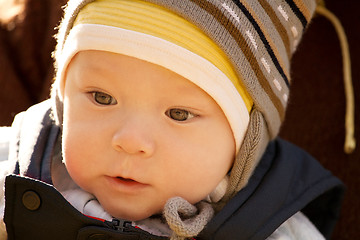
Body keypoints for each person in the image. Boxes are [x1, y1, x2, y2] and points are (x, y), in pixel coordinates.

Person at [0, 0, 344, 239]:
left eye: (178, 114)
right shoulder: (11, 174)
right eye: (102, 98)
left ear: (244, 144)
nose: (130, 140)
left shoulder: (274, 228)